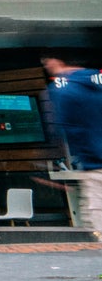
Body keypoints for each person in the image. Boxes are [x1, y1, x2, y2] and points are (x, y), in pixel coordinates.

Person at [44, 55, 102, 239]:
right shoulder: (96, 82)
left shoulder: (63, 91)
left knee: (97, 208)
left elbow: (65, 128)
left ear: (57, 61)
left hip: (95, 161)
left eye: (46, 63)